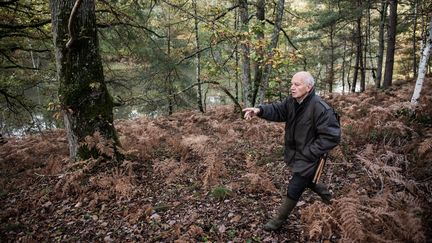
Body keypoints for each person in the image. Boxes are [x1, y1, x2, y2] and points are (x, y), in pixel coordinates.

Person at [243, 71, 341, 231]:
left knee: (295, 187)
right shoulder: (292, 102)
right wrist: (259, 110)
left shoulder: (320, 108)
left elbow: (332, 136)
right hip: (298, 155)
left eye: (297, 84)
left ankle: (276, 222)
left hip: (311, 158)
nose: (292, 88)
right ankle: (338, 206)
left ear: (309, 87)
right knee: (311, 182)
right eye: (291, 84)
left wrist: (310, 152)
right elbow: (278, 110)